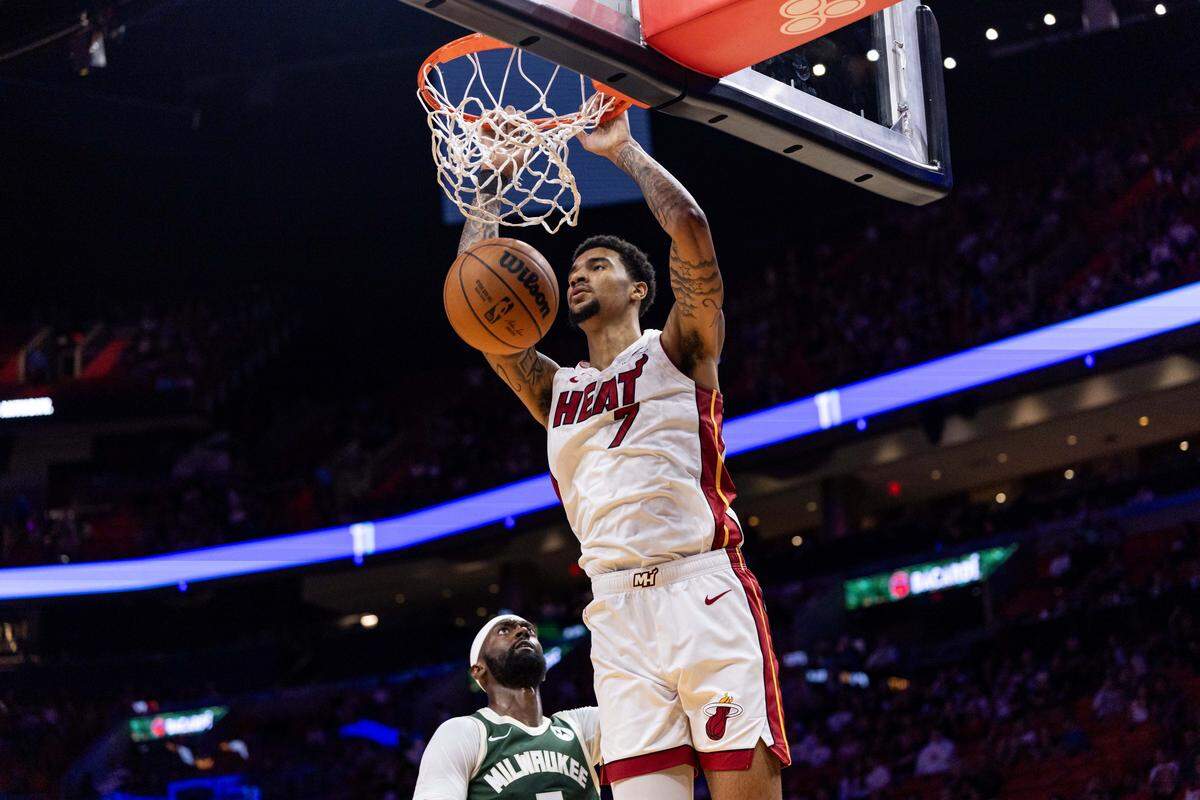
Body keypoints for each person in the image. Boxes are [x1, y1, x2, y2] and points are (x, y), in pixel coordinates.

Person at [457, 111, 789, 799]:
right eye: (572, 270)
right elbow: (478, 305)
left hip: (701, 589)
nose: (577, 276)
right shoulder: (557, 388)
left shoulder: (678, 350)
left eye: (596, 266)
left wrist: (623, 152)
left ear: (639, 290)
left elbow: (692, 228)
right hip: (614, 614)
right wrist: (489, 193)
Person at [413, 614, 601, 799]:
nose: (523, 631)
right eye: (504, 630)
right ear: (478, 670)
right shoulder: (464, 733)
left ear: (544, 670)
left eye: (530, 630)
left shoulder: (580, 727)